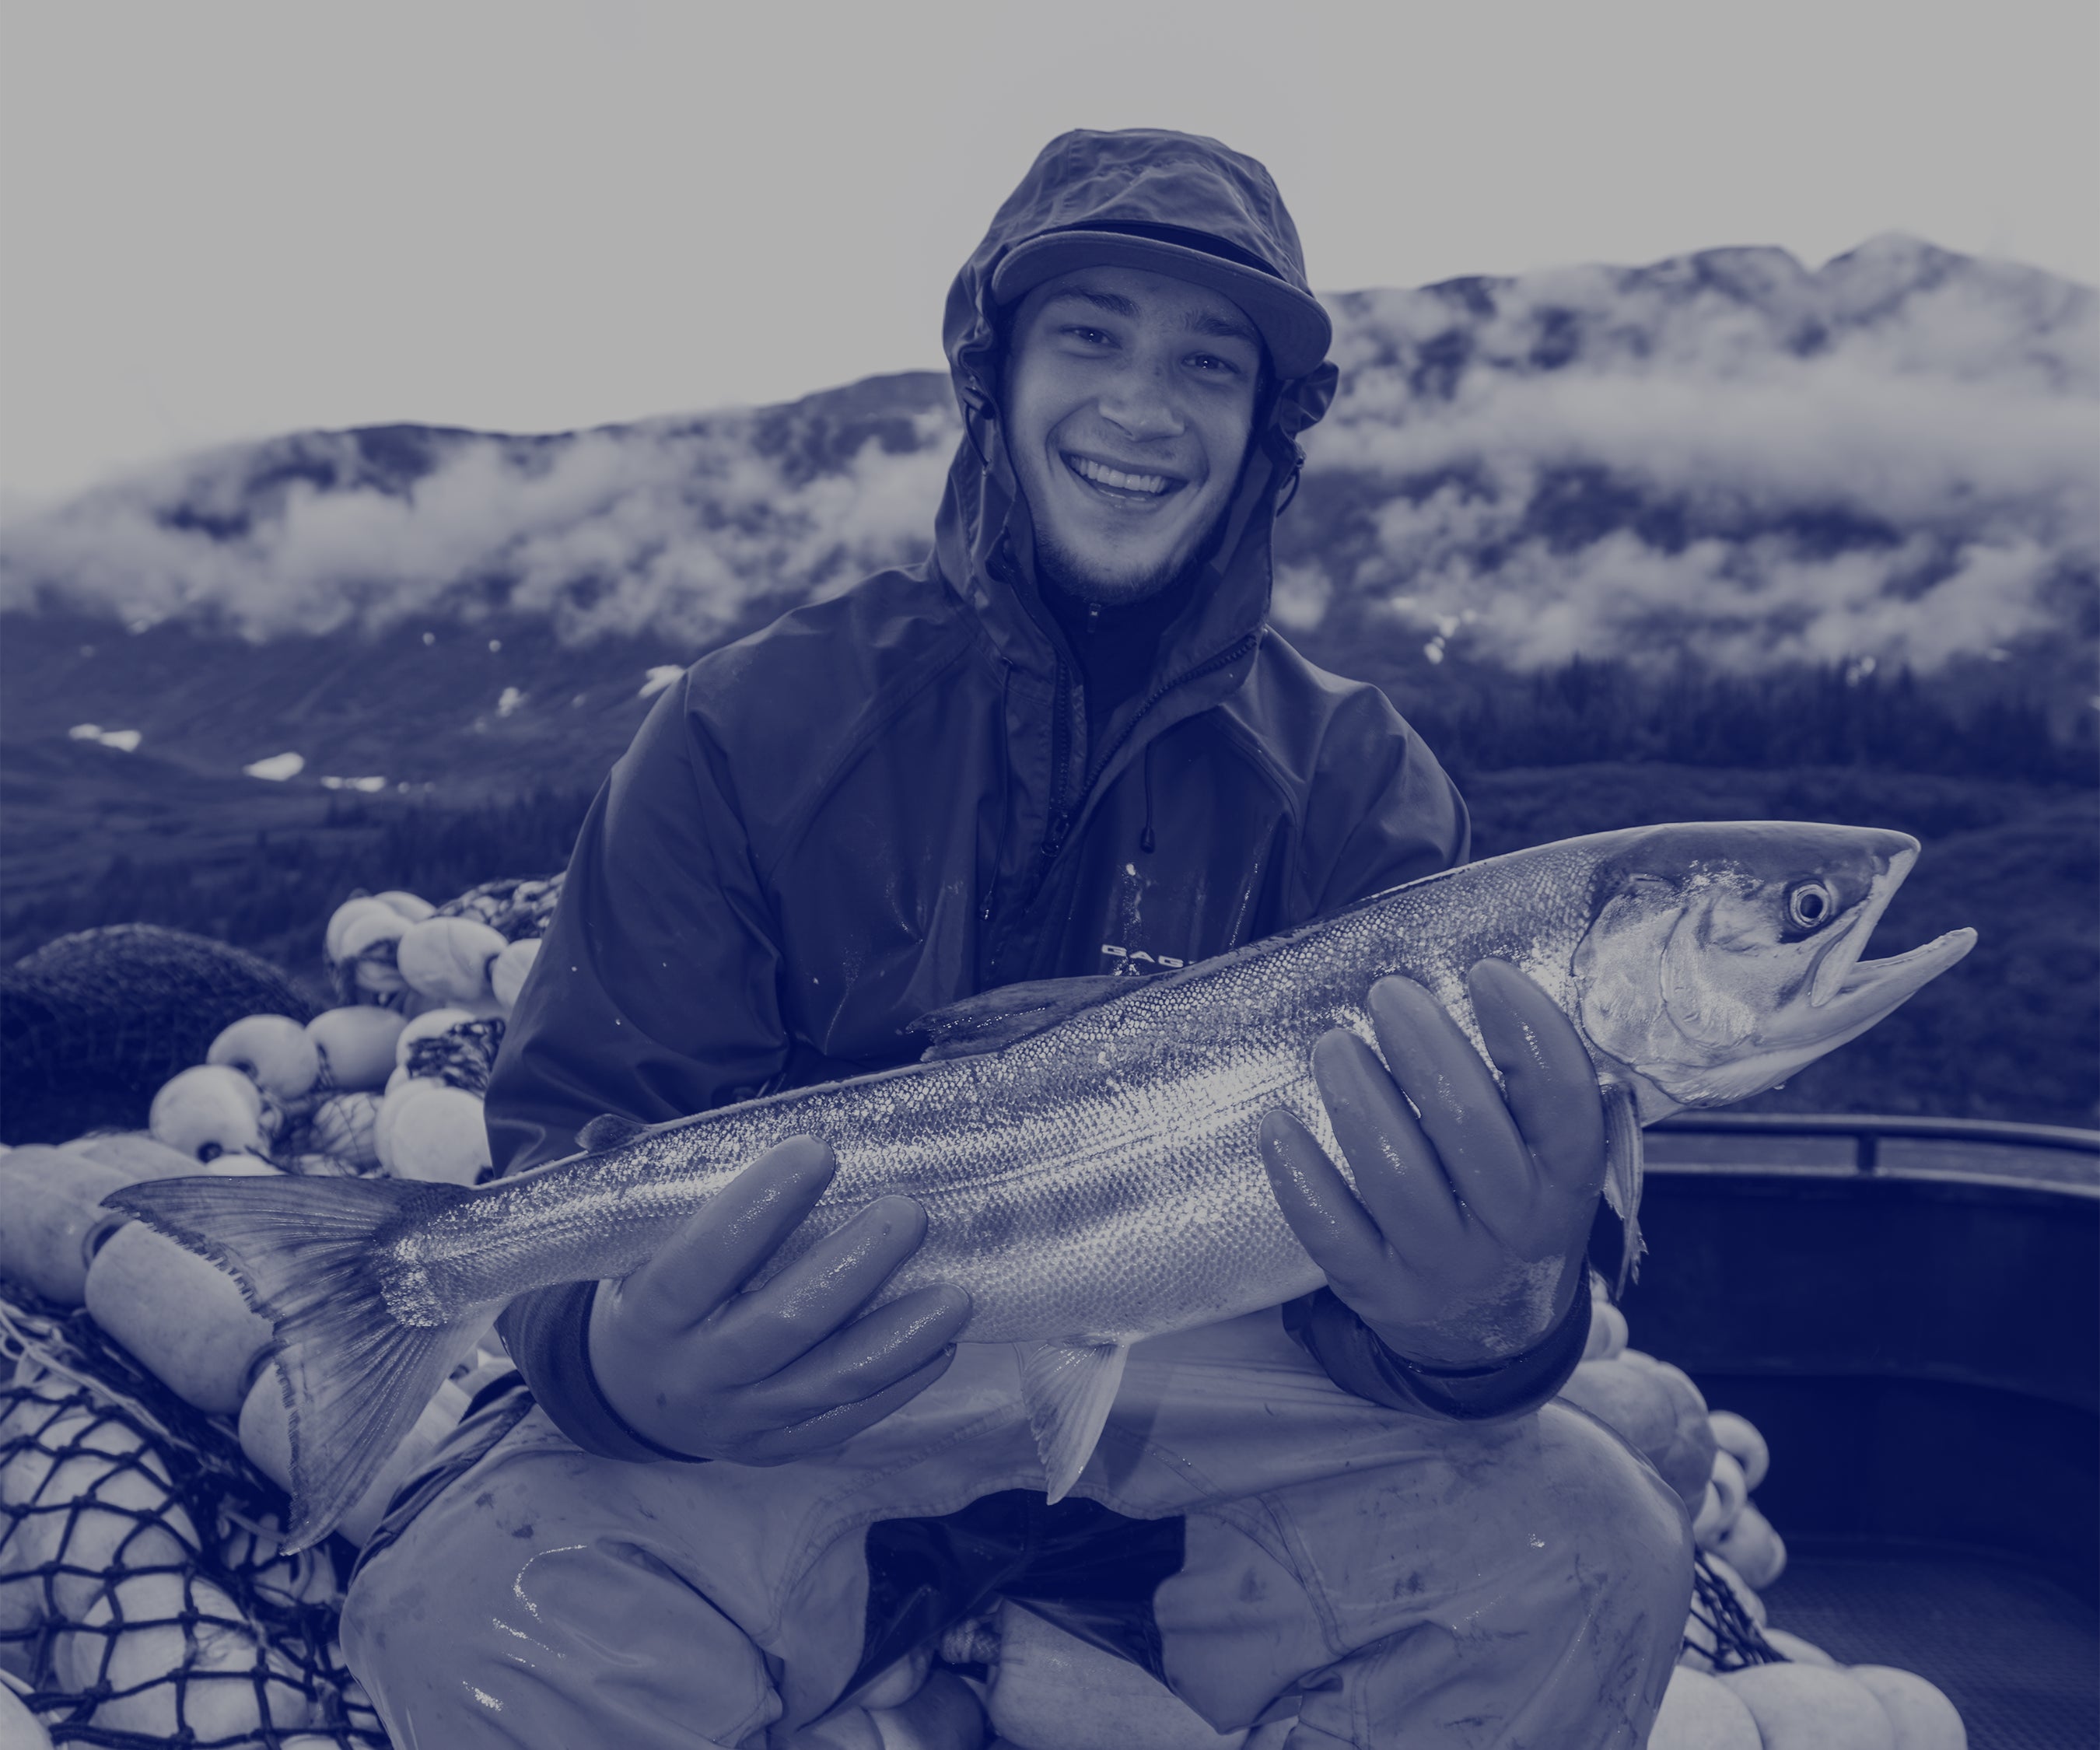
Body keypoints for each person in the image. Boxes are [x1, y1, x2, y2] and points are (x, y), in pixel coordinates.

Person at [340, 128, 1692, 1750]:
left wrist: (1487, 1318)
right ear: (993, 376)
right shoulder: (747, 723)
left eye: (1210, 362)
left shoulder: (1356, 782)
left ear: (1269, 431)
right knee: (462, 1614)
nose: (1143, 402)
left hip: (1213, 1405)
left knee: (1597, 1545)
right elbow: (587, 1129)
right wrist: (617, 1369)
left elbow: (1411, 1352)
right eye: (1091, 336)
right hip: (822, 1397)